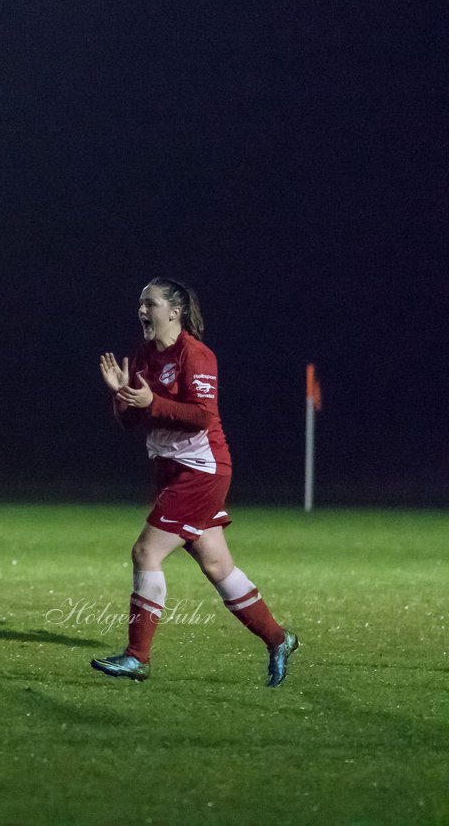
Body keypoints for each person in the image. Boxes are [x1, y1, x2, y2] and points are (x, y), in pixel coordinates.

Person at [92, 277, 298, 686]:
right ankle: (279, 639)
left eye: (149, 304)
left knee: (144, 552)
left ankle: (137, 657)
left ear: (175, 311)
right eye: (140, 304)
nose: (142, 311)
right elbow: (136, 421)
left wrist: (154, 402)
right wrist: (121, 396)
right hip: (170, 469)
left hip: (201, 471)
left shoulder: (197, 355)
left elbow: (201, 416)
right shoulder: (144, 355)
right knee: (219, 565)